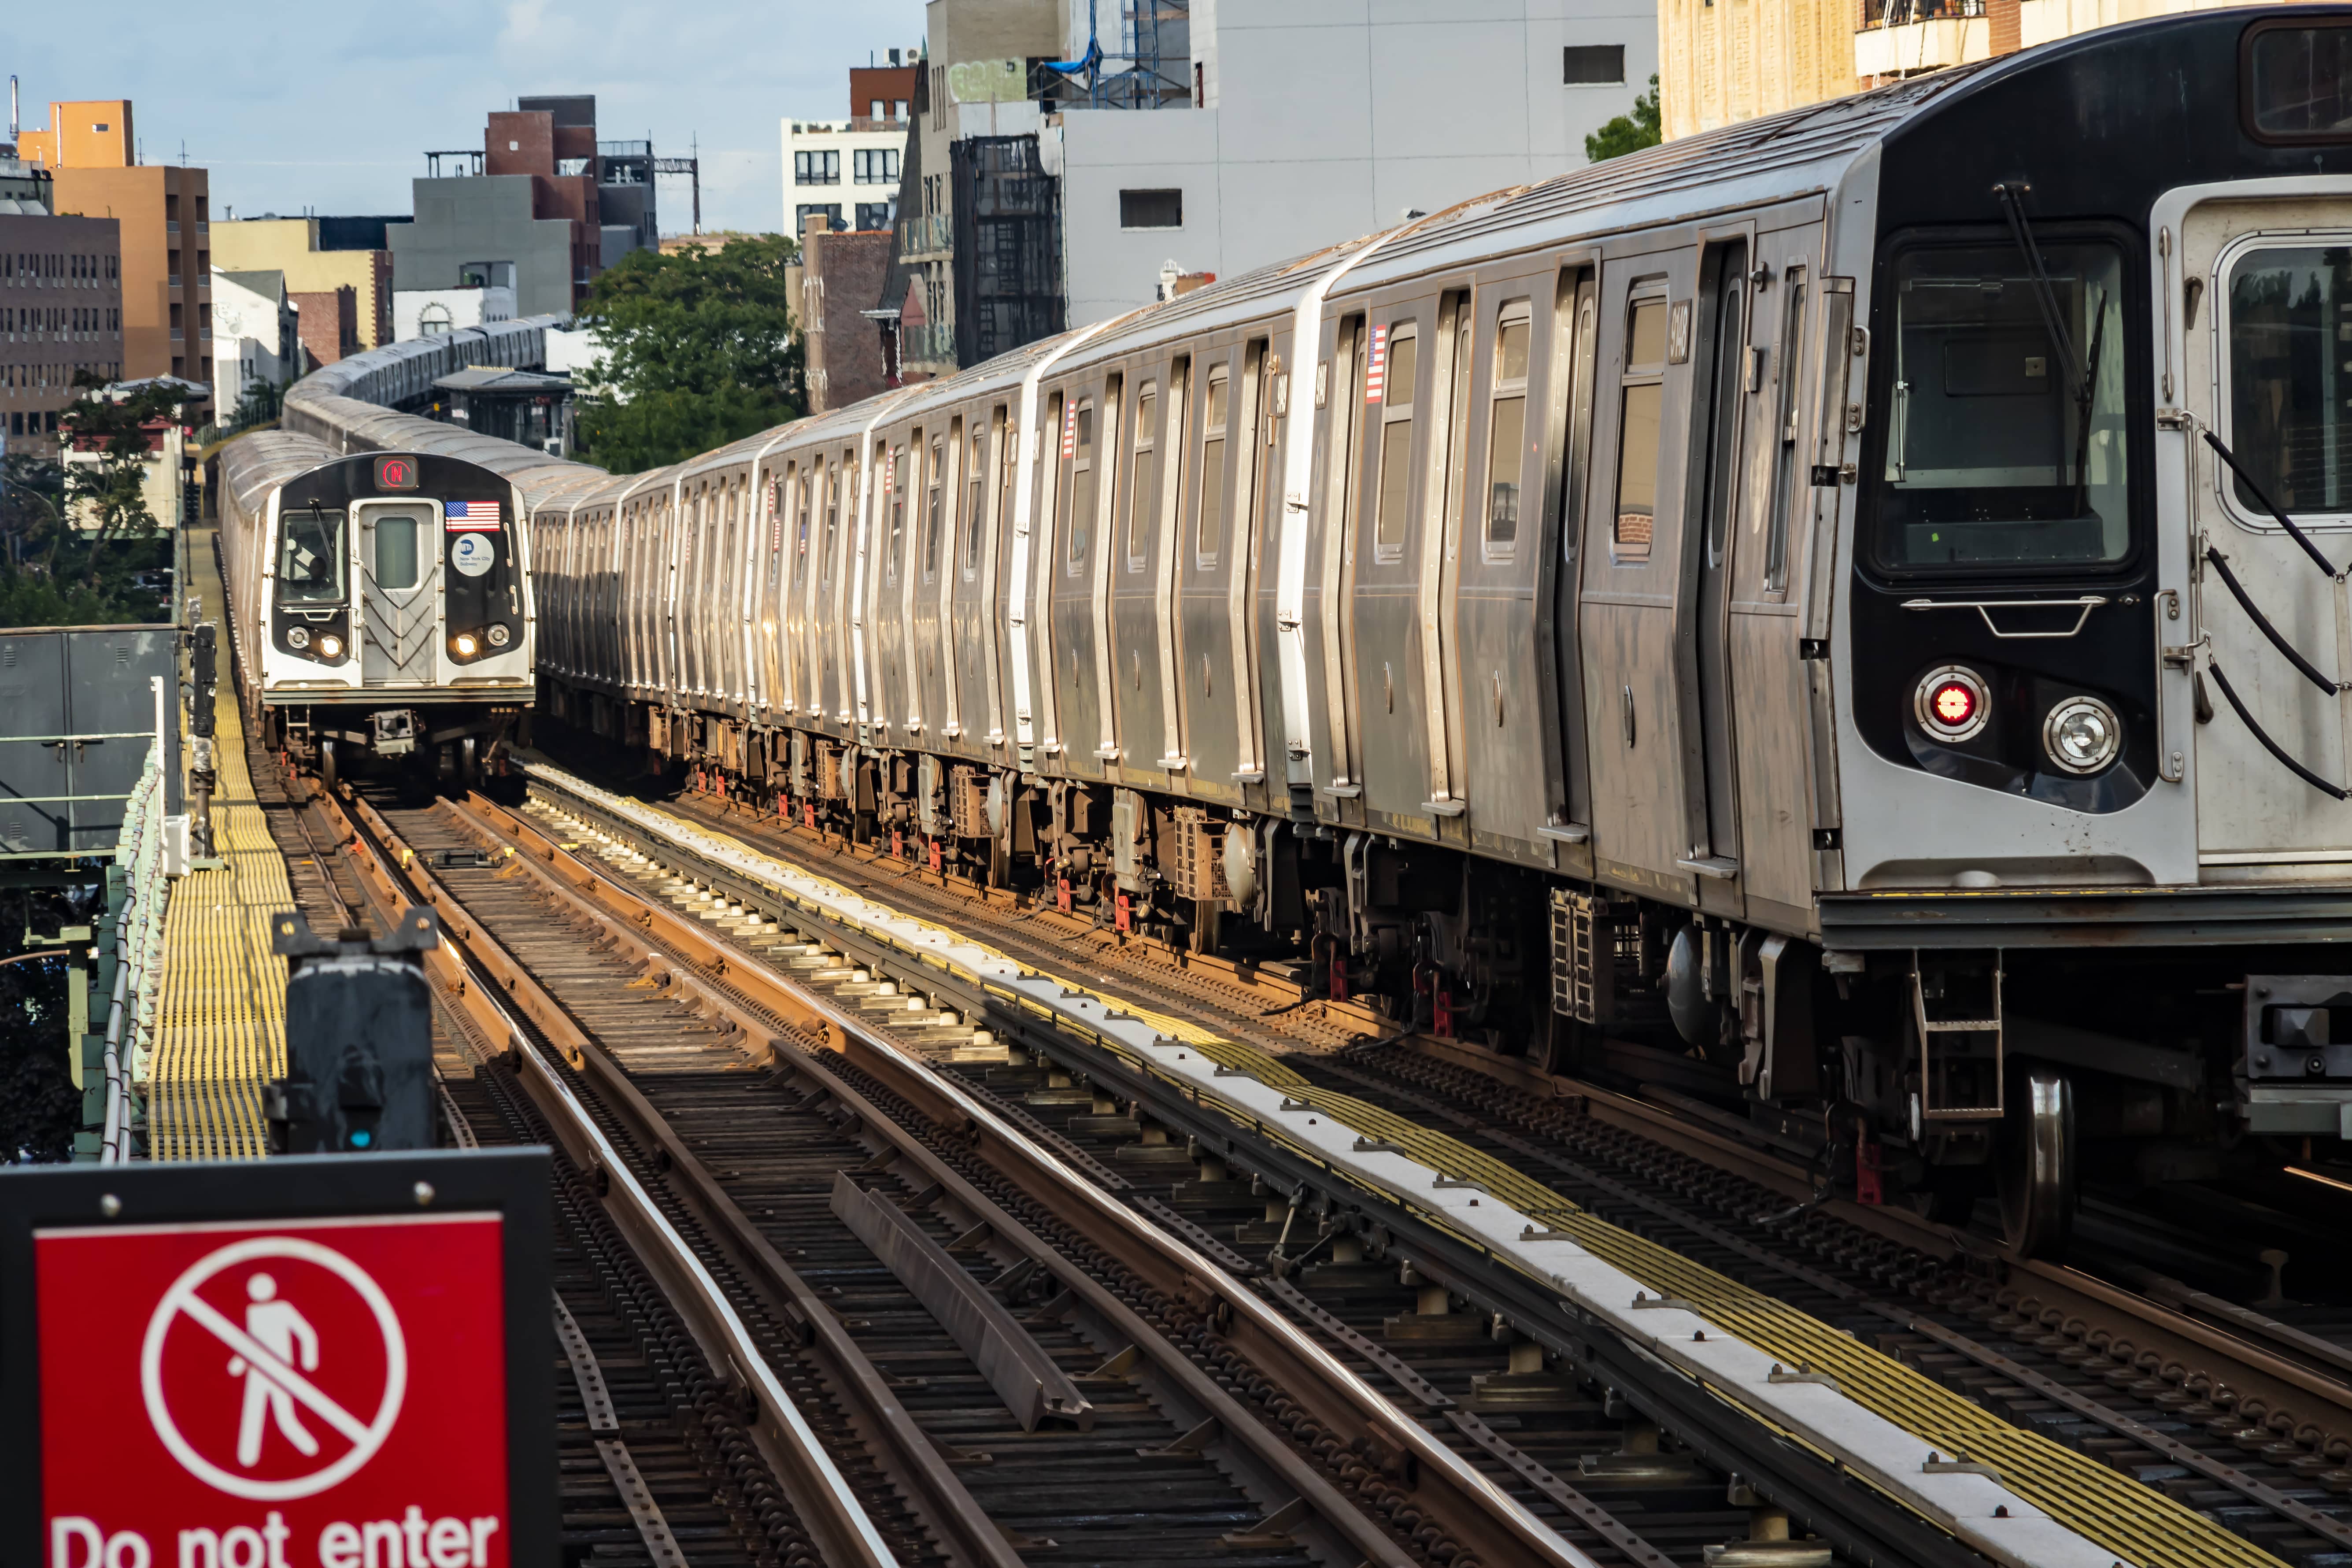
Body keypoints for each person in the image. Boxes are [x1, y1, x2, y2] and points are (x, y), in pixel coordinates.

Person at [227, 1271, 320, 1466]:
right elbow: (251, 1342)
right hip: (257, 1372)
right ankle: (246, 1457)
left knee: (285, 1416)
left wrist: (309, 1360)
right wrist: (241, 1362)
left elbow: (305, 1333)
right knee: (254, 1412)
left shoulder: (283, 1309)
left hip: (280, 1372)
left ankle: (310, 1449)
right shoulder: (253, 1311)